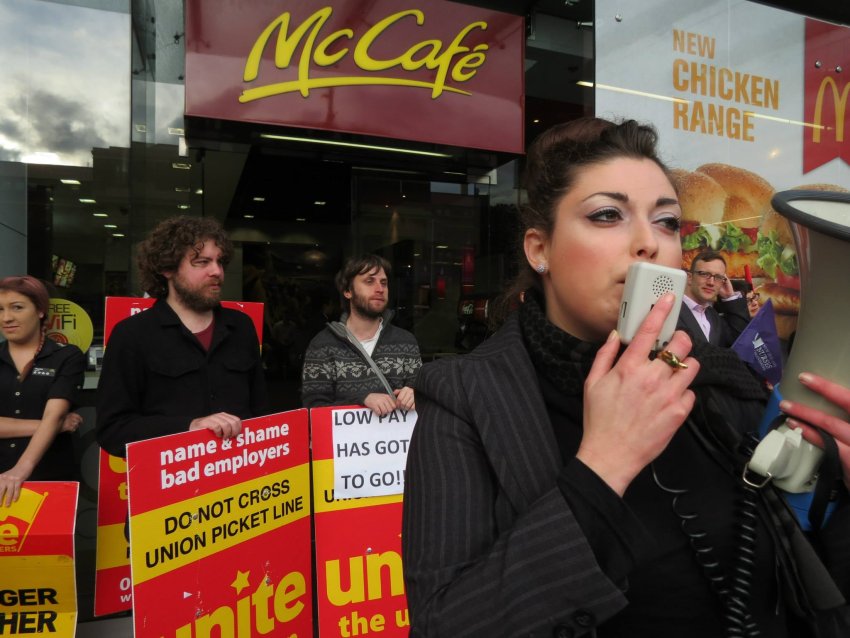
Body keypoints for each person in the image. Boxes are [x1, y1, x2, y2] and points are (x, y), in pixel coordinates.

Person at [402, 118, 850, 637]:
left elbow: (803, 582)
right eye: (607, 215)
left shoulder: (720, 382)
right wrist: (603, 465)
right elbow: (444, 624)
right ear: (538, 249)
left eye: (667, 223)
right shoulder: (466, 399)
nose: (648, 244)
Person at [96, 216, 268, 457]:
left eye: (220, 262)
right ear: (167, 268)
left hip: (241, 480)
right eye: (202, 262)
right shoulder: (132, 335)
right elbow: (112, 430)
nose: (216, 271)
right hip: (173, 485)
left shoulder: (241, 327)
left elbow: (261, 412)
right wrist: (189, 427)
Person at [0, 276, 85, 505]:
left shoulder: (66, 356)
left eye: (17, 308)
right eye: (0, 309)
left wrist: (20, 469)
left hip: (51, 479)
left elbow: (54, 414)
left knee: (52, 542)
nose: (6, 318)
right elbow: (55, 421)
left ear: (40, 310)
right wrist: (55, 427)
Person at [301, 254, 421, 416]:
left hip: (397, 441)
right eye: (369, 281)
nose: (380, 288)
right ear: (347, 291)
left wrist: (416, 394)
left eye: (383, 283)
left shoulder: (406, 341)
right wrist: (361, 400)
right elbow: (313, 409)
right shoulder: (322, 345)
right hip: (345, 441)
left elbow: (422, 394)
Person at [677, 249, 750, 346]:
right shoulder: (672, 311)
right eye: (704, 274)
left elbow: (740, 342)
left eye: (718, 277)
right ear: (690, 277)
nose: (711, 282)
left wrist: (729, 297)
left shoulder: (713, 316)